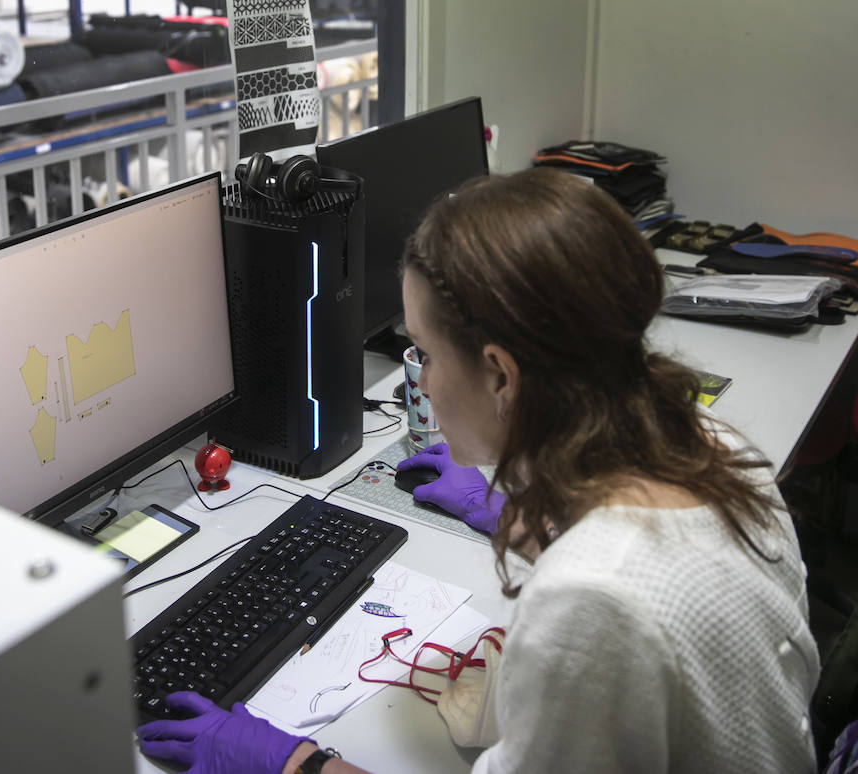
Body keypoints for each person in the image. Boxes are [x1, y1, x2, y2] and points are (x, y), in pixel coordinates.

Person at [136, 167, 820, 773]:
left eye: (426, 354)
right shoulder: (716, 443)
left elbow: (621, 601)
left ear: (500, 374)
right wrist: (527, 513)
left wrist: (294, 763)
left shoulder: (591, 599)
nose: (421, 384)